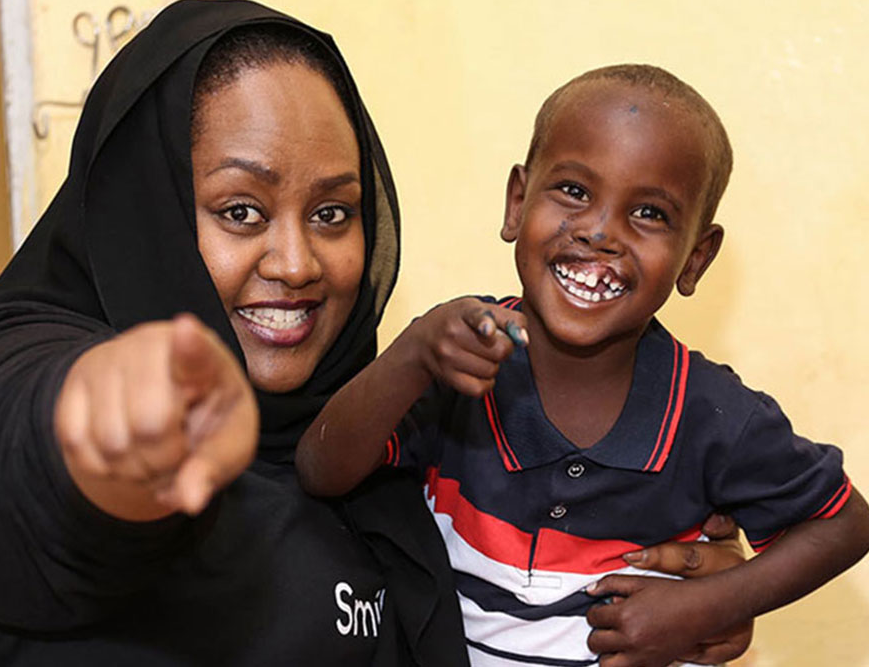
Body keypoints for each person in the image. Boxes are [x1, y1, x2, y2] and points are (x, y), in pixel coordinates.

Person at [0, 0, 750, 666]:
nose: (296, 262)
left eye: (333, 211)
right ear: (149, 214)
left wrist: (676, 590)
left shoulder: (381, 449)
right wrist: (105, 429)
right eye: (240, 209)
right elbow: (10, 444)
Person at [296, 64, 869, 667]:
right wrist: (411, 354)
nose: (600, 232)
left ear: (695, 258)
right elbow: (320, 469)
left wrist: (710, 607)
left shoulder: (714, 416)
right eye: (573, 190)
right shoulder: (459, 357)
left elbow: (844, 525)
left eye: (649, 213)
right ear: (517, 202)